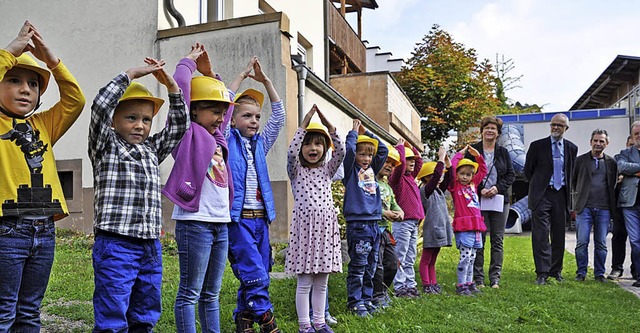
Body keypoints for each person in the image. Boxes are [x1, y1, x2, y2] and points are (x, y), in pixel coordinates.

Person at [88, 55, 188, 331]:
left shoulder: (152, 150)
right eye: (131, 118)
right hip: (116, 244)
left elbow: (179, 127)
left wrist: (171, 87)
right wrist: (130, 74)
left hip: (150, 247)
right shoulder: (105, 146)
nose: (140, 125)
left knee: (145, 313)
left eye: (146, 120)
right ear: (113, 121)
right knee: (112, 313)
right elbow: (99, 106)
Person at [0, 21, 85, 332]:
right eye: (14, 80)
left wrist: (51, 61)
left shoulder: (44, 125)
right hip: (6, 231)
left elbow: (75, 100)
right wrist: (12, 50)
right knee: (3, 312)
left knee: (29, 313)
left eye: (33, 84)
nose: (25, 89)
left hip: (43, 229)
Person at [162, 43, 233, 333]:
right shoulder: (186, 134)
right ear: (193, 111)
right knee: (190, 293)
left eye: (221, 113)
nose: (220, 117)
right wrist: (188, 63)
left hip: (220, 223)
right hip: (195, 223)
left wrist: (210, 73)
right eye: (213, 111)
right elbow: (180, 86)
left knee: (212, 294)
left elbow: (226, 101)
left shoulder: (219, 138)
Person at [224, 56, 285, 333]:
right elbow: (224, 106)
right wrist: (240, 75)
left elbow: (280, 116)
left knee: (261, 270)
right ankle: (267, 319)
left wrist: (266, 81)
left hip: (262, 218)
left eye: (257, 116)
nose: (254, 121)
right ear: (234, 120)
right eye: (247, 116)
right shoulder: (225, 140)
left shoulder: (260, 143)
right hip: (238, 219)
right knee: (252, 271)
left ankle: (244, 318)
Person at [285, 105, 344, 333]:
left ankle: (319, 322)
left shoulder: (328, 170)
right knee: (305, 282)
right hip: (305, 232)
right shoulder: (296, 170)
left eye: (318, 144)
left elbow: (341, 152)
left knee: (322, 282)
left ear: (325, 148)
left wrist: (330, 127)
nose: (313, 148)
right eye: (308, 144)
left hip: (326, 232)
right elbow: (291, 153)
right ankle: (305, 325)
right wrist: (305, 122)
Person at [524, 113, 577, 285]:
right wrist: (539, 186)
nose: (555, 128)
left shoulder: (571, 148)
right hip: (542, 194)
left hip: (561, 195)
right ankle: (542, 272)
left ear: (566, 129)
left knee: (559, 233)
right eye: (553, 124)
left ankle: (556, 270)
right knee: (540, 235)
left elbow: (570, 172)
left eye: (560, 125)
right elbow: (528, 171)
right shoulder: (537, 146)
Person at [342, 119, 388, 316]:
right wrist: (354, 133)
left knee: (371, 265)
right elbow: (349, 151)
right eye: (363, 154)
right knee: (359, 265)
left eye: (369, 154)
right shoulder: (351, 171)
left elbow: (383, 150)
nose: (366, 158)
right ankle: (355, 301)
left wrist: (368, 132)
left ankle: (367, 299)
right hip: (358, 224)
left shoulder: (372, 170)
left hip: (374, 224)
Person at [465, 116, 515, 289]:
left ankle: (495, 278)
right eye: (487, 128)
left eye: (493, 128)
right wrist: (479, 190)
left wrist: (497, 188)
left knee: (497, 239)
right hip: (477, 200)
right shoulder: (472, 151)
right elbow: (464, 174)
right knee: (480, 239)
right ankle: (478, 278)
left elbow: (510, 175)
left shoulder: (503, 152)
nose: (490, 131)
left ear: (498, 133)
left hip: (499, 200)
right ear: (481, 130)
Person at [572, 129, 617, 282]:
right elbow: (573, 181)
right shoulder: (580, 160)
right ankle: (581, 273)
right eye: (596, 140)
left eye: (601, 141)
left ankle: (599, 274)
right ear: (590, 142)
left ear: (607, 144)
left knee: (601, 243)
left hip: (604, 208)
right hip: (584, 208)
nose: (598, 144)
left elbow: (614, 184)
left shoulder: (611, 163)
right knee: (582, 241)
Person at [449, 145, 487, 296]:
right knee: (465, 258)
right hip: (464, 227)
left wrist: (478, 157)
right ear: (457, 174)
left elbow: (483, 171)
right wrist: (459, 154)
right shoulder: (455, 186)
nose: (465, 177)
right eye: (462, 173)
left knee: (472, 257)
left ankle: (470, 283)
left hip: (476, 226)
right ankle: (461, 284)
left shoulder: (473, 185)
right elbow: (451, 168)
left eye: (468, 174)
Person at [388, 139, 424, 298]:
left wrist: (412, 148)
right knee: (400, 256)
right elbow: (400, 165)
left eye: (412, 160)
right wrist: (401, 148)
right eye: (408, 159)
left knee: (410, 256)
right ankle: (400, 286)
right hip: (402, 224)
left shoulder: (411, 177)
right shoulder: (397, 179)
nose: (411, 162)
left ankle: (410, 285)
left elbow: (420, 163)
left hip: (413, 224)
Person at [417, 146, 453, 294]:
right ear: (426, 177)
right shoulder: (426, 190)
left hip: (440, 229)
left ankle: (433, 284)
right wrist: (440, 158)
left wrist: (448, 163)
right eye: (434, 176)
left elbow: (448, 178)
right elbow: (438, 175)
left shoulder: (438, 190)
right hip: (432, 229)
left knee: (433, 260)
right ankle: (427, 285)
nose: (439, 178)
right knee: (426, 259)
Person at [372, 146, 403, 307]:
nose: (390, 166)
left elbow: (394, 205)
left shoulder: (387, 187)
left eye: (393, 164)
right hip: (373, 230)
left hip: (386, 232)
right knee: (376, 265)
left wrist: (400, 212)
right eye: (387, 162)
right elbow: (367, 205)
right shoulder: (369, 181)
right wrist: (385, 213)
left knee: (391, 264)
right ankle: (376, 296)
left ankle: (382, 292)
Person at [615, 121, 640, 288]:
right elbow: (622, 166)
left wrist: (635, 171)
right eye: (636, 134)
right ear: (632, 136)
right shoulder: (625, 153)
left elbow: (628, 170)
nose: (639, 136)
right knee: (636, 240)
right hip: (630, 204)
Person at [609, 135, 636, 280]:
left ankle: (635, 269)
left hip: (635, 204)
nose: (631, 146)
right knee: (619, 235)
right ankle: (616, 268)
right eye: (630, 144)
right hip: (620, 204)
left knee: (635, 239)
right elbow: (618, 171)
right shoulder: (620, 157)